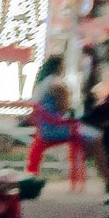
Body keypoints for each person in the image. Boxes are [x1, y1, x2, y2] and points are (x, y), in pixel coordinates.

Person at [29, 55, 86, 184]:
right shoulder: (55, 84)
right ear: (59, 66)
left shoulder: (42, 83)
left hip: (44, 128)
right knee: (94, 137)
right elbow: (64, 108)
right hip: (55, 129)